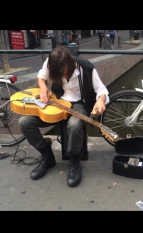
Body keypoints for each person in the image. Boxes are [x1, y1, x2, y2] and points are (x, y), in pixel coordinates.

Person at [18, 46, 110, 187]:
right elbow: (41, 77)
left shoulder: (86, 68)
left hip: (78, 103)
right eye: (59, 74)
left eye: (65, 72)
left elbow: (102, 90)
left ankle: (74, 160)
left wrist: (100, 100)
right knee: (24, 122)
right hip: (57, 101)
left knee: (74, 124)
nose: (63, 76)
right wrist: (43, 88)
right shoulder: (51, 63)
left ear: (70, 63)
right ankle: (47, 156)